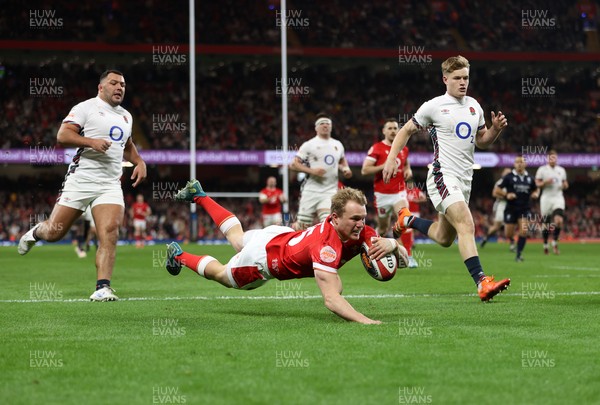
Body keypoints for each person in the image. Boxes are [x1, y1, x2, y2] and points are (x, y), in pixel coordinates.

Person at [166, 180, 408, 325]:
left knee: (238, 238)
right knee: (221, 275)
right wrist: (366, 321)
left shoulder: (362, 231)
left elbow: (403, 261)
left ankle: (199, 195)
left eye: (363, 218)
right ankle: (178, 255)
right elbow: (331, 300)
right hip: (263, 260)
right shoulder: (326, 245)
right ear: (334, 218)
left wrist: (394, 245)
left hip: (280, 236)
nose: (360, 224)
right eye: (354, 218)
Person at [381, 55, 510, 302]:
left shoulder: (474, 106)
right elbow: (406, 130)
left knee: (444, 237)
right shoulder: (434, 106)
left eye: (466, 78)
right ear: (445, 79)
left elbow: (481, 140)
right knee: (467, 224)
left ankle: (407, 219)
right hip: (442, 175)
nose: (463, 83)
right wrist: (391, 158)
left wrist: (494, 130)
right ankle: (482, 282)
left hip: (464, 179)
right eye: (457, 78)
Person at [18, 69, 147, 301]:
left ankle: (103, 287)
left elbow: (127, 144)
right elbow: (63, 135)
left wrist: (139, 161)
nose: (119, 88)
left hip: (110, 183)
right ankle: (37, 231)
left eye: (123, 85)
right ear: (101, 87)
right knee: (54, 233)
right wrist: (91, 142)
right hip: (81, 180)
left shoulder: (127, 116)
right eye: (114, 83)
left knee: (109, 231)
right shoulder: (85, 108)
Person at [361, 118, 415, 265]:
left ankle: (408, 256)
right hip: (382, 195)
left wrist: (408, 169)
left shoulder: (403, 148)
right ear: (384, 131)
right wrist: (384, 166)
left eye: (395, 128)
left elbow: (406, 163)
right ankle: (375, 251)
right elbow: (365, 170)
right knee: (383, 229)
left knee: (406, 218)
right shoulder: (376, 148)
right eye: (389, 128)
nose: (392, 131)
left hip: (399, 192)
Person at [289, 113, 353, 230]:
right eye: (322, 123)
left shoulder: (338, 144)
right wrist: (312, 171)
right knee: (302, 226)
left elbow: (342, 160)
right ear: (316, 128)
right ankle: (292, 239)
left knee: (329, 224)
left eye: (328, 123)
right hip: (311, 190)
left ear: (331, 127)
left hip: (329, 191)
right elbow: (293, 164)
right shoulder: (309, 144)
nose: (325, 125)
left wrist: (346, 169)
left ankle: (324, 248)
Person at [493, 155, 539, 262]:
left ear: (525, 164)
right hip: (511, 208)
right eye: (517, 162)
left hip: (524, 208)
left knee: (524, 231)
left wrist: (535, 194)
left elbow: (536, 189)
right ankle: (513, 241)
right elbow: (496, 190)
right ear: (514, 164)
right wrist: (506, 194)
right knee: (508, 233)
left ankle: (518, 254)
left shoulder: (530, 178)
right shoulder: (508, 177)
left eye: (521, 162)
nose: (519, 164)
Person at [535, 150, 568, 255]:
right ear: (548, 159)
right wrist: (545, 182)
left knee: (558, 221)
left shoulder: (561, 170)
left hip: (558, 197)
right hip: (546, 198)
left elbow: (565, 183)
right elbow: (537, 183)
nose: (553, 160)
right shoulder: (542, 170)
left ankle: (554, 242)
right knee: (546, 224)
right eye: (551, 158)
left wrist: (565, 186)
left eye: (554, 157)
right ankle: (545, 244)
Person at [480, 168, 514, 250]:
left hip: (512, 205)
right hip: (502, 204)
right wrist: (505, 197)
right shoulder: (500, 183)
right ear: (503, 174)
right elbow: (494, 194)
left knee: (510, 224)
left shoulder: (513, 182)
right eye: (506, 173)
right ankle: (486, 237)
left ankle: (512, 243)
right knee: (497, 226)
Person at [405, 179, 428, 268]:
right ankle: (410, 244)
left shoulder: (416, 190)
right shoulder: (404, 191)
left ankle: (411, 242)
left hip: (415, 212)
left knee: (413, 230)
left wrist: (417, 201)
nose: (410, 185)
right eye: (409, 184)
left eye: (411, 183)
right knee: (408, 229)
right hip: (407, 212)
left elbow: (424, 198)